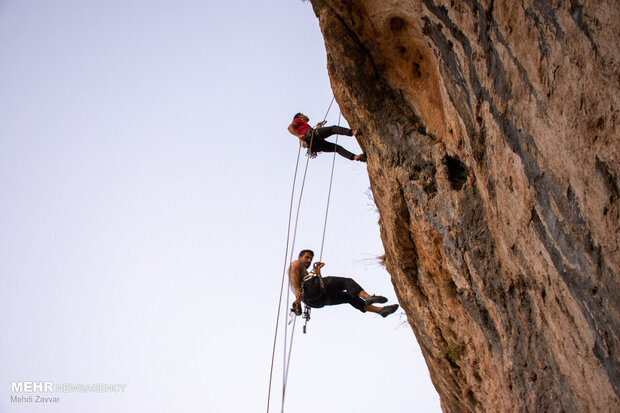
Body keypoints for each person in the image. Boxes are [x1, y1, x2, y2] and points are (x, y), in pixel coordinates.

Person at [288, 249, 399, 317]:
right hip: (308, 291)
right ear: (300, 257)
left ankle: (381, 311)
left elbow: (318, 284)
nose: (308, 260)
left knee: (348, 297)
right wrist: (298, 291)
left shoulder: (305, 273)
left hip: (313, 302)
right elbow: (294, 273)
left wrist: (317, 271)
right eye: (306, 257)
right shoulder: (296, 263)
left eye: (310, 259)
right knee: (346, 282)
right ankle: (367, 297)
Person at [287, 113, 367, 162]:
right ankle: (353, 132)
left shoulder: (304, 126)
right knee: (333, 129)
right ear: (300, 116)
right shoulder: (297, 120)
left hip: (314, 146)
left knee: (337, 148)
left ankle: (356, 157)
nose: (306, 116)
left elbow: (314, 136)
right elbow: (290, 127)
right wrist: (299, 136)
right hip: (311, 137)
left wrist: (318, 127)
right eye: (304, 115)